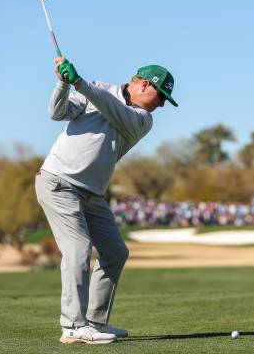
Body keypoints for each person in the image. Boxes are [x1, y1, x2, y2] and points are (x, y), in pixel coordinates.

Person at [35, 57, 178, 345]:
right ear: (142, 84)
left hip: (92, 193)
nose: (161, 105)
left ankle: (96, 321)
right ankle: (73, 326)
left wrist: (80, 83)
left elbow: (110, 107)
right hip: (58, 182)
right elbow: (57, 112)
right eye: (160, 96)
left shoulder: (142, 120)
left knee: (115, 252)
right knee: (78, 247)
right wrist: (63, 83)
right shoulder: (96, 89)